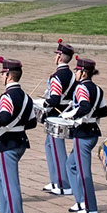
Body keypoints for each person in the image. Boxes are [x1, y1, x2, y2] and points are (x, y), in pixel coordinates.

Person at [0, 56, 33, 213]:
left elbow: (4, 118)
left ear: (8, 76)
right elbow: (32, 122)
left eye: (2, 73)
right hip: (20, 140)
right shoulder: (26, 97)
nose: (1, 77)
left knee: (10, 182)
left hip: (9, 143)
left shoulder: (7, 96)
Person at [65, 55, 106, 213]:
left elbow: (84, 106)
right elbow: (104, 111)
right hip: (91, 131)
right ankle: (81, 200)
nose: (74, 72)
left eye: (76, 69)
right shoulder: (97, 89)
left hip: (83, 133)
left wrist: (72, 114)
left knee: (84, 173)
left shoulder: (81, 88)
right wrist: (91, 116)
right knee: (70, 165)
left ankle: (91, 207)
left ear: (83, 72)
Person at [38, 40, 77, 196]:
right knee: (49, 145)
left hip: (56, 114)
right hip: (65, 111)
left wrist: (41, 103)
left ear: (60, 57)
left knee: (56, 148)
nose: (55, 57)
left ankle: (63, 183)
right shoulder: (72, 74)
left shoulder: (57, 76)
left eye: (57, 54)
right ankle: (55, 180)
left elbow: (54, 99)